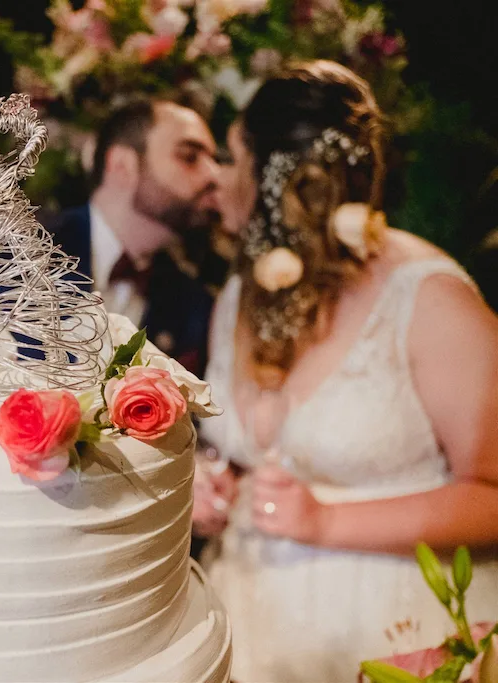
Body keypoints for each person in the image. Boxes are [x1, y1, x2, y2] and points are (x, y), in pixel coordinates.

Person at [195, 60, 498, 682]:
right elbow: (241, 446)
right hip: (243, 618)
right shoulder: (240, 294)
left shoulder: (431, 299)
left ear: (273, 179)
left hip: (392, 631)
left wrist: (326, 521)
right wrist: (208, 480)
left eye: (233, 158)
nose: (222, 182)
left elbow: (492, 494)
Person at [0, 96, 221, 373]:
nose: (214, 175)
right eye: (190, 157)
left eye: (214, 159)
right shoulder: (2, 248)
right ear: (122, 165)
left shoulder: (193, 306)